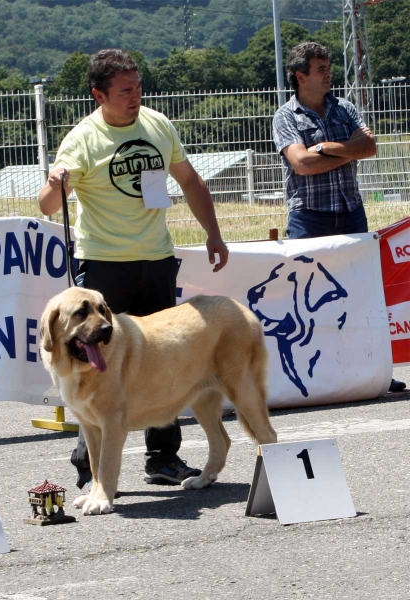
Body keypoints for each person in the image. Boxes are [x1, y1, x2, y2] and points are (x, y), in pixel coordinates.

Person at [38, 48, 230, 489]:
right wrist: (55, 186)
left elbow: (190, 182)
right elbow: (48, 206)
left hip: (156, 258)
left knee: (163, 362)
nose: (135, 97)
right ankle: (90, 467)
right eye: (125, 91)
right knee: (94, 366)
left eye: (138, 87)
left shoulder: (158, 125)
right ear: (98, 94)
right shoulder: (81, 139)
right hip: (104, 267)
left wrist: (214, 234)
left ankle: (163, 458)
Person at [272, 41, 406, 393]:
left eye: (329, 67)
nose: (329, 73)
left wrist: (329, 149)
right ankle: (307, 374)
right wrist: (350, 151)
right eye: (321, 69)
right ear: (301, 76)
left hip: (350, 213)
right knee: (303, 301)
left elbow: (371, 148)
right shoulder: (286, 116)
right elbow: (301, 164)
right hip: (309, 218)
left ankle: (372, 369)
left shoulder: (344, 107)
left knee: (360, 296)